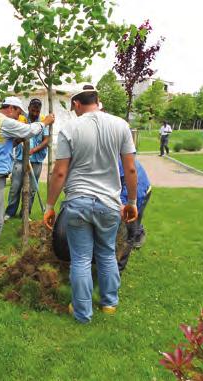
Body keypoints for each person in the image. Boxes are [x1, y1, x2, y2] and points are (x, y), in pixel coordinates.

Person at [43, 85, 138, 323]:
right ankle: (109, 304)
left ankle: (82, 312)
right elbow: (130, 168)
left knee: (81, 259)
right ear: (97, 100)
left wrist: (50, 206)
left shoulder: (70, 129)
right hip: (109, 203)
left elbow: (60, 173)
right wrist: (132, 201)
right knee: (106, 254)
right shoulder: (121, 126)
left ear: (76, 104)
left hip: (78, 203)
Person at [0, 97, 55, 261]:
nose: (18, 117)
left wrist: (16, 140)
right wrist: (46, 122)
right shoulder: (4, 121)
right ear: (11, 108)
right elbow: (30, 130)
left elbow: (1, 146)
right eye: (18, 112)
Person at [4, 98, 49, 220]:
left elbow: (46, 140)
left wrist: (34, 150)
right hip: (20, 158)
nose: (35, 113)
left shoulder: (44, 121)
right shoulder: (21, 120)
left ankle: (25, 214)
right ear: (28, 108)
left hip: (37, 160)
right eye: (33, 110)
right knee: (15, 187)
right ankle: (10, 212)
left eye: (37, 111)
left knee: (32, 189)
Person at [117, 157, 152, 273]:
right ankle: (139, 233)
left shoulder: (118, 161)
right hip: (131, 185)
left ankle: (118, 269)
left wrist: (122, 206)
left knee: (129, 231)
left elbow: (129, 188)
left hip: (139, 188)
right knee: (134, 220)